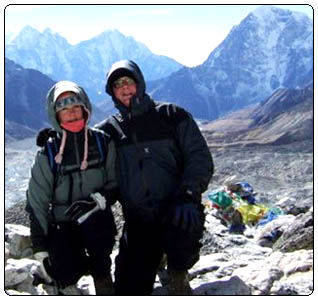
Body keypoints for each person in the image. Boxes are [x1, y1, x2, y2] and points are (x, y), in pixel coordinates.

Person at [96, 60, 214, 295]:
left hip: (176, 207)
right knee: (130, 286)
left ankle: (178, 272)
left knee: (183, 233)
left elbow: (199, 158)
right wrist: (57, 137)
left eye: (128, 81)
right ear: (112, 92)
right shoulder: (108, 131)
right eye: (118, 85)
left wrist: (189, 194)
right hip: (139, 220)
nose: (124, 88)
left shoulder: (172, 115)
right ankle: (155, 259)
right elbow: (83, 143)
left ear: (139, 83)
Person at [26, 80, 118, 295]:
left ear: (85, 108)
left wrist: (97, 201)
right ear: (55, 115)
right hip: (62, 223)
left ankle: (103, 281)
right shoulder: (48, 153)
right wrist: (40, 248)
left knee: (101, 255)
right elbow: (37, 201)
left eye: (76, 106)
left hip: (97, 218)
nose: (72, 113)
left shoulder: (103, 143)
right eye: (64, 109)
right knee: (64, 270)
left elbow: (115, 182)